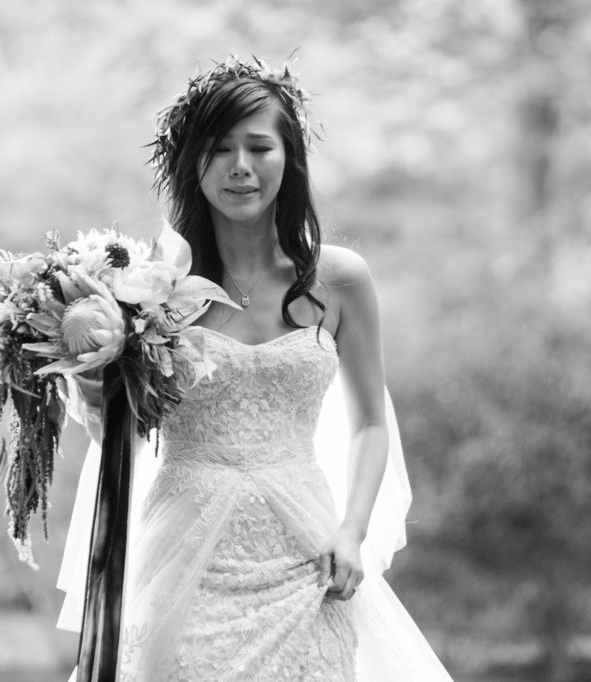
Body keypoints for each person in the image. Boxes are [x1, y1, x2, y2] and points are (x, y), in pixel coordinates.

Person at [59, 56, 453, 681]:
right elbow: (125, 439)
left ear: (288, 160)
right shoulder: (150, 292)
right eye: (219, 150)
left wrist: (352, 532)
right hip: (186, 557)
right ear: (193, 164)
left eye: (259, 147)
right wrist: (87, 375)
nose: (240, 167)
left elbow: (371, 425)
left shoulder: (341, 279)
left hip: (307, 554)